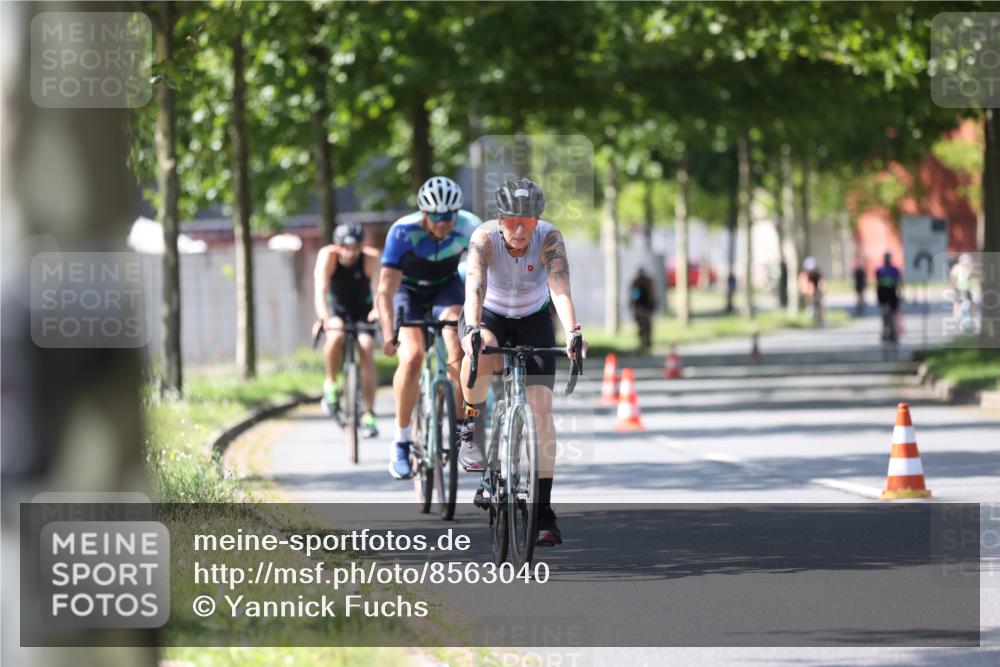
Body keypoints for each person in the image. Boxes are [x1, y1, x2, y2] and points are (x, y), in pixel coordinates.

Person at [459, 177, 586, 547]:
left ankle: (544, 510)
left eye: (527, 222)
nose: (519, 230)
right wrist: (472, 329)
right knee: (482, 351)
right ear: (499, 221)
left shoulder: (549, 238)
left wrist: (572, 332)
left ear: (536, 222)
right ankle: (470, 425)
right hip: (492, 313)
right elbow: (475, 286)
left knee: (542, 410)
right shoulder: (484, 238)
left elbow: (560, 286)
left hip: (533, 318)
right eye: (512, 222)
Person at [372, 176, 482, 479]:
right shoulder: (403, 232)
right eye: (436, 216)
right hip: (407, 291)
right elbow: (385, 291)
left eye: (450, 215)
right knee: (412, 357)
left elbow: (486, 274)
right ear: (423, 213)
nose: (444, 222)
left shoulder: (470, 226)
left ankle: (462, 432)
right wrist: (387, 332)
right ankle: (402, 442)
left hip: (445, 288)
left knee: (457, 348)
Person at [313, 224, 380, 437]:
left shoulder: (370, 258)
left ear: (361, 246)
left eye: (355, 247)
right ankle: (331, 383)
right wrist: (324, 318)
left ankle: (369, 413)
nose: (350, 253)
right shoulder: (328, 256)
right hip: (337, 312)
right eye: (345, 247)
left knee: (367, 347)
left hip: (363, 312)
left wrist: (378, 310)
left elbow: (379, 290)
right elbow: (320, 290)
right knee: (336, 335)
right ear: (337, 245)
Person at [875, 252, 903, 340]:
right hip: (886, 294)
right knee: (887, 314)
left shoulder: (890, 270)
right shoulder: (882, 270)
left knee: (889, 314)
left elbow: (899, 282)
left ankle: (890, 331)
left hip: (888, 294)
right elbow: (899, 283)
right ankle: (888, 331)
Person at [629, 268, 655, 350]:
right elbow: (634, 296)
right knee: (642, 323)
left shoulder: (644, 282)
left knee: (646, 323)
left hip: (645, 304)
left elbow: (651, 294)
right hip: (641, 304)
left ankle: (647, 339)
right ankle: (644, 339)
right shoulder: (637, 282)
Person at [949, 253, 977, 322]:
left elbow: (974, 278)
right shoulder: (957, 267)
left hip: (966, 288)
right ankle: (959, 317)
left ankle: (970, 318)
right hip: (960, 288)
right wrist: (953, 287)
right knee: (959, 303)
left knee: (969, 303)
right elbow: (953, 277)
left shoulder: (969, 267)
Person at [798, 256, 825, 326]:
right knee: (809, 289)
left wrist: (821, 291)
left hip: (817, 291)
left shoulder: (818, 274)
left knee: (821, 303)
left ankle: (821, 319)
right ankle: (810, 308)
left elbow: (822, 284)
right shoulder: (804, 275)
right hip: (808, 293)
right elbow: (802, 286)